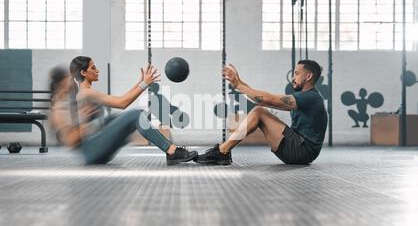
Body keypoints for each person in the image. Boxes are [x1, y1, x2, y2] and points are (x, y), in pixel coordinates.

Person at [49, 57, 197, 165]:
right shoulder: (85, 94)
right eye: (93, 67)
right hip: (91, 152)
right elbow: (122, 103)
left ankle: (170, 149)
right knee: (135, 115)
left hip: (95, 151)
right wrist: (144, 85)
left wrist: (141, 82)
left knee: (116, 118)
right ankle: (171, 151)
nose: (97, 70)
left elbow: (120, 99)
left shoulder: (85, 93)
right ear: (84, 72)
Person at [195, 60, 328, 165]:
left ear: (308, 76)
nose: (293, 78)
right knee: (260, 109)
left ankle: (222, 151)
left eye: (297, 74)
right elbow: (262, 100)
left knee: (259, 112)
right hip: (299, 147)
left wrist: (238, 85)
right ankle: (223, 150)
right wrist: (239, 82)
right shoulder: (306, 97)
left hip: (302, 151)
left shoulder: (311, 98)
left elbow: (268, 100)